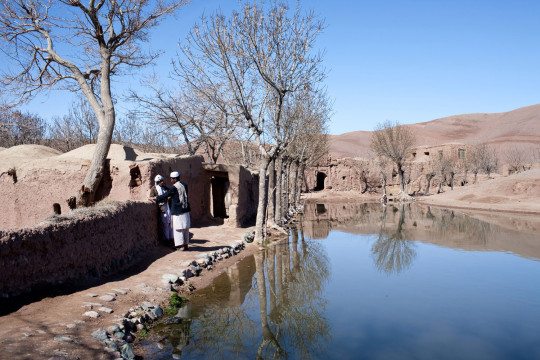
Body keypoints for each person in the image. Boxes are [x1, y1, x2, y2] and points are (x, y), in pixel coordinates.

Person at [149, 171, 191, 251]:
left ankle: (181, 246)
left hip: (178, 211)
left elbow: (166, 194)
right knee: (185, 228)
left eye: (171, 179)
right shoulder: (184, 185)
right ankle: (186, 245)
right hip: (185, 210)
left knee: (178, 229)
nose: (171, 180)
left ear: (175, 179)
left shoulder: (174, 187)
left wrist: (155, 198)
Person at [149, 174, 173, 244]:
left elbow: (170, 194)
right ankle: (166, 240)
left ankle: (171, 238)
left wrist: (169, 197)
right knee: (165, 224)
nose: (162, 182)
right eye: (160, 181)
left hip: (168, 207)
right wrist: (158, 198)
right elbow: (151, 197)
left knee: (170, 223)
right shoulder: (154, 188)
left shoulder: (165, 188)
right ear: (157, 182)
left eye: (162, 181)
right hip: (162, 208)